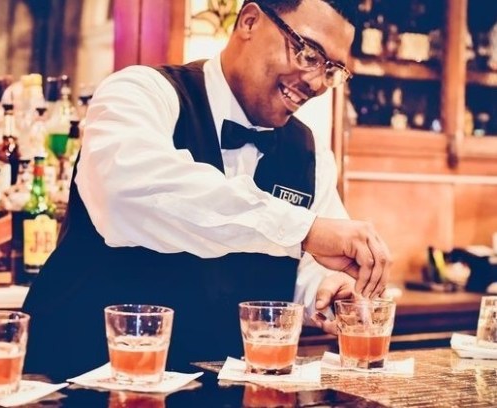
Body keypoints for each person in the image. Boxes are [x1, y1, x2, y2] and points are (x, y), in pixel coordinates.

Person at [22, 0, 391, 381]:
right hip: (76, 382)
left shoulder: (311, 155)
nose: (316, 83)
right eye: (309, 54)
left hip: (220, 392)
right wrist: (306, 230)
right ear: (249, 21)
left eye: (332, 69)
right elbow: (128, 195)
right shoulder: (140, 92)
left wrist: (330, 289)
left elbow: (311, 266)